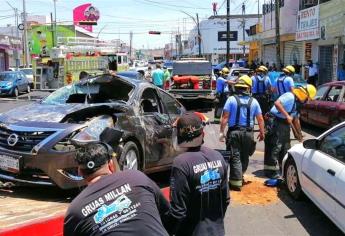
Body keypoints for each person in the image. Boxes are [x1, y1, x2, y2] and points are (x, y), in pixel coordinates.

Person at [64, 142, 170, 236]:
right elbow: (167, 215)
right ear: (111, 165)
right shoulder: (137, 177)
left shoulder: (75, 210)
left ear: (80, 172)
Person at [166, 112, 229, 236]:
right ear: (202, 134)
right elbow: (225, 199)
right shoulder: (218, 157)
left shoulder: (181, 164)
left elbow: (178, 211)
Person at [219, 75, 265, 191]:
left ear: (237, 87)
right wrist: (262, 132)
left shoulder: (231, 99)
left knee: (235, 157)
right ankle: (240, 176)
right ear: (248, 88)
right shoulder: (254, 101)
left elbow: (225, 117)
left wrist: (221, 132)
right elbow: (260, 119)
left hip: (234, 132)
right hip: (248, 134)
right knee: (245, 156)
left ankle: (235, 182)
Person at [264, 84, 317, 178]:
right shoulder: (290, 96)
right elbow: (277, 103)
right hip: (274, 122)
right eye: (308, 98)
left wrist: (299, 135)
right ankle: (270, 171)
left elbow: (296, 120)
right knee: (275, 147)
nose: (308, 101)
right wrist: (287, 115)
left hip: (284, 124)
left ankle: (282, 168)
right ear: (305, 94)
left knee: (285, 147)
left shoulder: (298, 104)